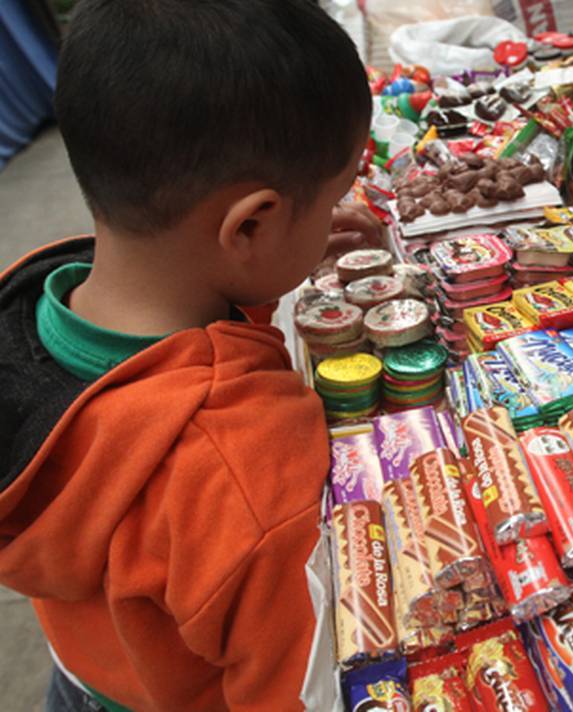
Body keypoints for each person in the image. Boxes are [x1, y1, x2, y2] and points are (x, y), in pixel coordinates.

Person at [0, 0, 375, 709]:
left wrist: (266, 270)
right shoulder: (245, 470)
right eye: (328, 203)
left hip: (89, 674)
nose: (333, 219)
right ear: (251, 223)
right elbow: (300, 695)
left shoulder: (27, 308)